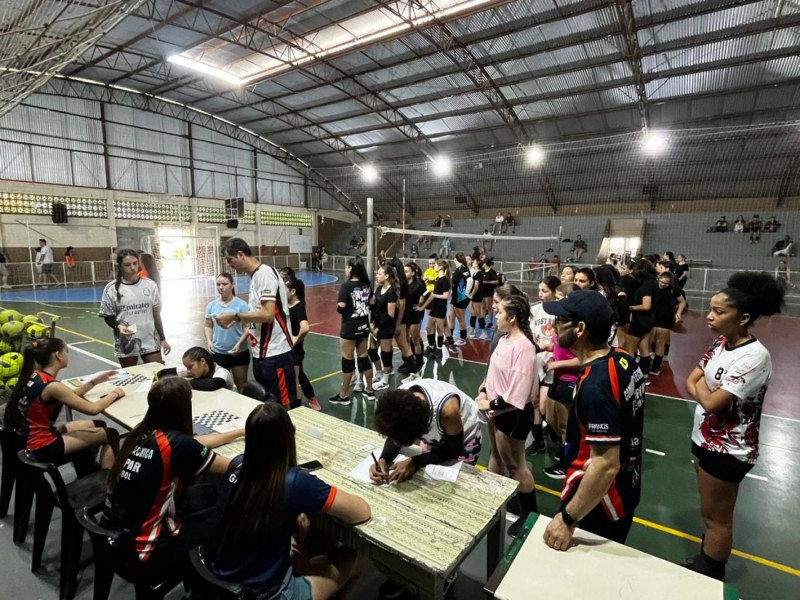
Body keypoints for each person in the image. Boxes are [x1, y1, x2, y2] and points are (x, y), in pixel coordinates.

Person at [212, 402, 370, 600]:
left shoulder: (237, 463)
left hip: (224, 578)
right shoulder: (295, 482)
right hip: (267, 593)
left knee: (309, 540)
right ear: (291, 432)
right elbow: (361, 512)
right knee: (358, 556)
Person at [684, 272, 784, 580]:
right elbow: (691, 380)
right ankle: (711, 551)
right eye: (711, 309)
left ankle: (711, 569)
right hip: (703, 438)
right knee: (709, 512)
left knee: (718, 519)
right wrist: (707, 395)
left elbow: (713, 403)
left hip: (728, 449)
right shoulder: (720, 343)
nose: (710, 316)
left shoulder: (755, 357)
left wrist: (706, 395)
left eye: (719, 311)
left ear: (743, 318)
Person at [105, 377, 242, 581]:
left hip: (116, 538)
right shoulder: (179, 446)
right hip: (149, 553)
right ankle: (207, 584)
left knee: (206, 493)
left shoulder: (141, 432)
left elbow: (193, 443)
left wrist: (239, 432)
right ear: (184, 407)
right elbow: (233, 466)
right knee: (232, 518)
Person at [542, 290, 646, 549]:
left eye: (560, 321)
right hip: (625, 487)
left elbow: (605, 464)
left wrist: (567, 519)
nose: (554, 327)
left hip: (598, 502)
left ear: (579, 328)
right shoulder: (623, 359)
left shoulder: (595, 385)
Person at [4, 337, 122, 472]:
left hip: (29, 436)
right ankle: (106, 481)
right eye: (66, 351)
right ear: (58, 355)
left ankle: (88, 467)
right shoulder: (53, 386)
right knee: (111, 434)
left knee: (98, 425)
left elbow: (71, 396)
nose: (67, 355)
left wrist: (93, 382)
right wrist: (115, 394)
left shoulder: (38, 375)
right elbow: (93, 409)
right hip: (40, 445)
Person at [475, 293, 539, 537]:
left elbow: (517, 395)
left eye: (500, 312)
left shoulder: (523, 347)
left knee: (516, 468)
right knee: (496, 457)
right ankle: (492, 503)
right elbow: (495, 373)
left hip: (512, 416)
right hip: (495, 411)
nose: (495, 314)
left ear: (511, 317)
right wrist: (484, 390)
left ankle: (529, 515)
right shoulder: (504, 339)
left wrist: (488, 403)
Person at [217, 238, 297, 408]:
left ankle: (285, 434)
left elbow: (268, 315)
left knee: (281, 406)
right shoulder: (254, 278)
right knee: (267, 404)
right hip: (260, 353)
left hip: (275, 353)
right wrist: (243, 324)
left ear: (240, 255)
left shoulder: (265, 274)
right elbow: (256, 317)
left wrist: (236, 316)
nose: (229, 265)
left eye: (229, 259)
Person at [371, 379, 483, 484]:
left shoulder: (447, 410)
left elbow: (453, 449)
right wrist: (384, 459)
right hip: (435, 435)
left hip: (463, 439)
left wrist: (415, 462)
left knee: (457, 482)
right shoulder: (398, 402)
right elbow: (396, 435)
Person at [100, 249, 171, 368]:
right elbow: (108, 316)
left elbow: (156, 315)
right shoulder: (111, 289)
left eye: (135, 263)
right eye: (127, 264)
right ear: (120, 266)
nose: (132, 267)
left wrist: (162, 339)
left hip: (150, 340)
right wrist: (118, 326)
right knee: (131, 378)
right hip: (126, 342)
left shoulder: (150, 285)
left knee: (158, 375)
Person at [330, 258, 375, 405]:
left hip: (350, 328)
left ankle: (344, 395)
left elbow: (341, 308)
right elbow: (372, 304)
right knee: (364, 358)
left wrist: (349, 309)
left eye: (346, 267)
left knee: (347, 360)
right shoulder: (366, 285)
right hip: (363, 327)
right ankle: (370, 390)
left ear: (350, 268)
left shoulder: (346, 286)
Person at [525, 275, 560, 457]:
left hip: (554, 364)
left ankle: (557, 444)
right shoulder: (535, 311)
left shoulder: (561, 313)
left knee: (547, 407)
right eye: (539, 290)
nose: (540, 294)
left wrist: (553, 354)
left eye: (545, 291)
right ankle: (538, 442)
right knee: (535, 403)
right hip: (537, 362)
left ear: (555, 292)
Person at [204, 273, 250, 391]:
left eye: (224, 284)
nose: (221, 287)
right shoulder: (211, 305)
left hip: (238, 354)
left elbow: (247, 327)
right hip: (218, 353)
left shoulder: (241, 305)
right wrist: (209, 340)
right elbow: (208, 325)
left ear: (232, 285)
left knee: (241, 387)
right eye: (218, 284)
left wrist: (239, 343)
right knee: (221, 387)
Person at [284, 275, 321, 411]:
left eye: (284, 289)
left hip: (294, 350)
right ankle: (309, 399)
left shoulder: (298, 307)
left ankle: (296, 409)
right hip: (285, 348)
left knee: (295, 381)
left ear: (292, 291)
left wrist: (295, 340)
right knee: (296, 377)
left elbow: (305, 328)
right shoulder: (284, 305)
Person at [624, 259, 658, 381]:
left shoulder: (647, 285)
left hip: (640, 320)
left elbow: (646, 305)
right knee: (644, 348)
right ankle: (644, 375)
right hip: (649, 320)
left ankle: (628, 374)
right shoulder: (653, 282)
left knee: (629, 348)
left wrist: (629, 308)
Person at [650, 272, 686, 377]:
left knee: (660, 342)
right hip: (652, 317)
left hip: (666, 317)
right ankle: (645, 363)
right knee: (649, 341)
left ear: (670, 283)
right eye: (661, 282)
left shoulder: (673, 290)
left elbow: (682, 302)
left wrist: (678, 312)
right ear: (658, 278)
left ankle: (655, 367)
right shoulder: (653, 287)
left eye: (666, 283)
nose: (663, 284)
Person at [369, 264, 399, 390]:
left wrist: (378, 328)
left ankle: (385, 379)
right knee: (371, 351)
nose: (377, 275)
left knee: (386, 353)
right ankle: (379, 372)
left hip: (386, 326)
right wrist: (371, 323)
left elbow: (390, 314)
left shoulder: (392, 292)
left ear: (387, 276)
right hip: (376, 324)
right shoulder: (378, 289)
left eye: (380, 274)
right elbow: (375, 307)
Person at [157, 346, 234, 391]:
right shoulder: (194, 369)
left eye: (190, 367)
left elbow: (213, 384)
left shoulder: (222, 372)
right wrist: (156, 381)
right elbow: (164, 372)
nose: (188, 371)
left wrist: (180, 384)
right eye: (187, 367)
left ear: (202, 361)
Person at [399, 262, 425, 379]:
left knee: (415, 338)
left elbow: (428, 295)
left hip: (415, 314)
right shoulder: (403, 284)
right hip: (405, 314)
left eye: (407, 271)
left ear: (413, 273)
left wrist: (421, 307)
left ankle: (419, 361)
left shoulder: (419, 283)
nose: (404, 274)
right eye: (403, 271)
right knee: (406, 339)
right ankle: (408, 360)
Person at [425, 259, 451, 358]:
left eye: (435, 265)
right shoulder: (438, 279)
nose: (434, 266)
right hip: (435, 306)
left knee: (441, 328)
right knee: (428, 327)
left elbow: (445, 296)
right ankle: (431, 346)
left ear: (441, 267)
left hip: (440, 307)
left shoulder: (444, 280)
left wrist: (434, 295)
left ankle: (440, 348)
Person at [447, 252, 470, 347]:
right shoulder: (458, 269)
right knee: (451, 317)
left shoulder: (464, 269)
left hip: (461, 297)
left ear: (455, 259)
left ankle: (463, 338)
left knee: (461, 318)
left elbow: (469, 281)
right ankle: (450, 336)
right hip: (455, 296)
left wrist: (467, 294)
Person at [481, 259, 499, 336]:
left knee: (489, 307)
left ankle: (491, 322)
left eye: (483, 263)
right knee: (483, 307)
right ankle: (483, 321)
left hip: (489, 291)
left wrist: (487, 282)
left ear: (485, 264)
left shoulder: (492, 272)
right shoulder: (482, 271)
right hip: (482, 291)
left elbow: (496, 281)